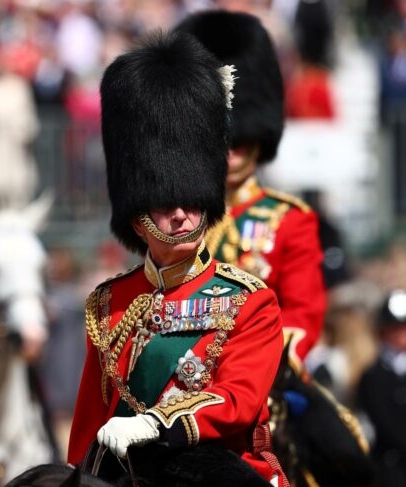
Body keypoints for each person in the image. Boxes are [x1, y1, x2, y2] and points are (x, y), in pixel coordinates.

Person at [67, 32, 285, 486]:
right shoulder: (110, 302)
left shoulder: (250, 301)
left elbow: (237, 400)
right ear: (138, 212)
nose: (182, 214)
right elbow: (89, 423)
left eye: (191, 200)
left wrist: (157, 423)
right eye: (166, 203)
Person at [175, 11, 326, 370]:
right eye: (223, 139)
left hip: (261, 374)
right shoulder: (174, 215)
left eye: (242, 140)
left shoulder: (289, 219)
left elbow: (303, 314)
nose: (232, 151)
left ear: (260, 139)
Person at [358, 290, 406, 487]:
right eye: (395, 329)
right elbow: (385, 422)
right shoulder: (374, 376)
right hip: (392, 469)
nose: (402, 335)